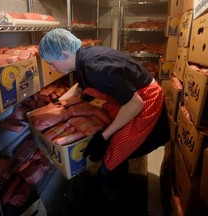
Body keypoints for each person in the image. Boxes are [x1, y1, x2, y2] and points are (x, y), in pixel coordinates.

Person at [38, 28, 170, 214]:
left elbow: (135, 104)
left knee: (111, 159)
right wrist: (55, 105)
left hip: (144, 101)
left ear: (65, 53)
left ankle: (110, 203)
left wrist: (104, 137)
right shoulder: (83, 57)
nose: (52, 68)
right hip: (131, 98)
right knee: (114, 143)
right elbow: (80, 86)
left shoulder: (94, 68)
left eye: (51, 63)